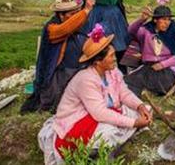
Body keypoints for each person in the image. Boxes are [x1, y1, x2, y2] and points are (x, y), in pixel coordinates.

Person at [38, 25, 153, 165]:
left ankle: (110, 143)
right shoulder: (85, 79)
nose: (115, 59)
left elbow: (124, 92)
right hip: (80, 122)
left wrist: (139, 106)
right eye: (111, 56)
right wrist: (134, 123)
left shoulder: (112, 71)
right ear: (98, 61)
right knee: (109, 133)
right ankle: (94, 154)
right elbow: (99, 113)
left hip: (101, 114)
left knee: (145, 110)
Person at [21, 0, 94, 113]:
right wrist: (85, 11)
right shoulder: (51, 28)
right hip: (59, 73)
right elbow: (64, 30)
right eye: (72, 14)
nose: (76, 16)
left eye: (77, 13)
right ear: (61, 15)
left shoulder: (78, 24)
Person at [124, 0, 175, 96]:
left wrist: (162, 65)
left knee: (166, 81)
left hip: (166, 67)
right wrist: (142, 19)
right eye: (163, 19)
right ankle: (148, 92)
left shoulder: (172, 34)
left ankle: (151, 91)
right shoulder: (146, 32)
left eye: (168, 20)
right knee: (132, 80)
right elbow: (131, 31)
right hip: (149, 66)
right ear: (155, 20)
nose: (167, 23)